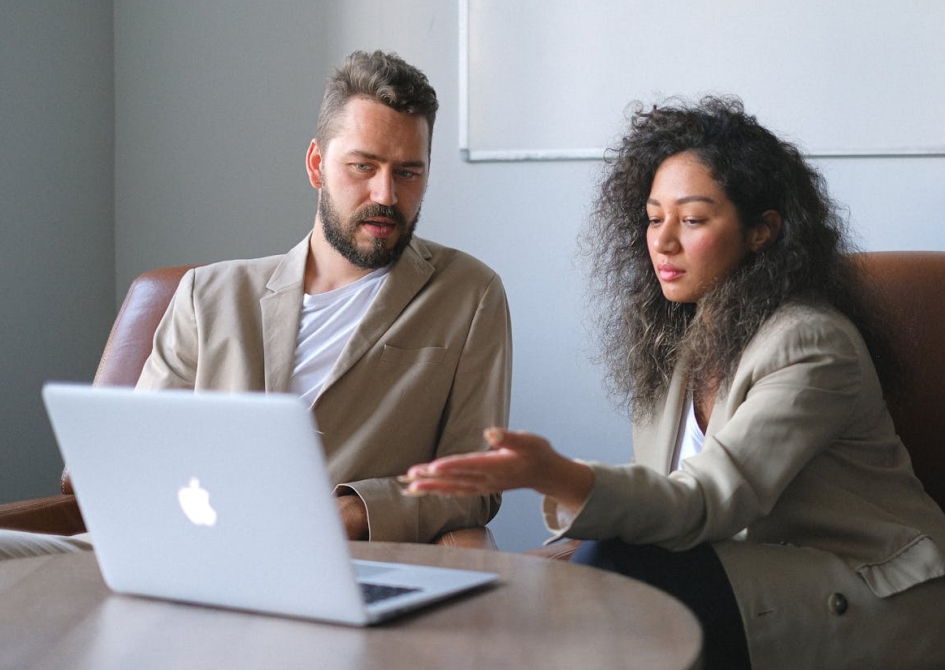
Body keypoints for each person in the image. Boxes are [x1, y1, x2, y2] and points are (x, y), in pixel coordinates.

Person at [402, 97, 945, 669]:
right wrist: (543, 562)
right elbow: (659, 503)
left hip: (870, 591)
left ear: (761, 231)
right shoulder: (676, 342)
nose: (662, 241)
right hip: (746, 576)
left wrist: (555, 475)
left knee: (622, 571)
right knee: (574, 576)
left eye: (691, 219)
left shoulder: (810, 343)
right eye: (653, 217)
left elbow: (706, 501)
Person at [0, 49, 510, 558]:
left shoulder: (468, 294)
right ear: (317, 165)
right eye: (363, 166)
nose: (386, 194)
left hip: (328, 562)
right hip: (170, 544)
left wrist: (354, 513)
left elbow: (477, 481)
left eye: (408, 173)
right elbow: (140, 454)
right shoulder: (209, 294)